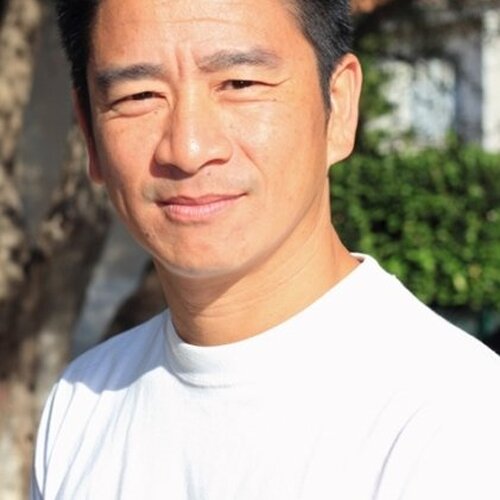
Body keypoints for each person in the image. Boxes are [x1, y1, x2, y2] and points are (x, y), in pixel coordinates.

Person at [31, 0, 500, 498]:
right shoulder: (81, 405)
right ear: (89, 133)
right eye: (139, 95)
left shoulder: (453, 423)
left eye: (240, 84)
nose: (188, 149)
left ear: (339, 107)